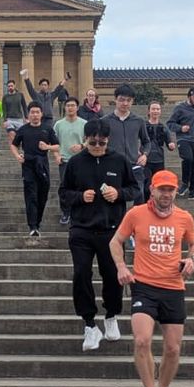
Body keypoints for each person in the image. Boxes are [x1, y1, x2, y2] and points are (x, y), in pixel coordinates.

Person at [111, 170, 194, 387]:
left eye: (171, 189)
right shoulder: (136, 214)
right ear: (152, 189)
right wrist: (121, 267)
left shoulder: (184, 217)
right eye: (161, 189)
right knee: (142, 341)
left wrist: (191, 259)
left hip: (173, 287)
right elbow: (115, 242)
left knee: (173, 348)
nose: (166, 194)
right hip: (144, 286)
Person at [59, 120, 138, 350]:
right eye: (92, 142)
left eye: (101, 142)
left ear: (108, 140)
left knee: (113, 274)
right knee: (81, 273)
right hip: (81, 229)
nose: (96, 146)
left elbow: (135, 188)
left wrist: (119, 193)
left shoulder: (119, 160)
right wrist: (80, 197)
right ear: (85, 139)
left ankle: (111, 314)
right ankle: (89, 324)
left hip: (111, 230)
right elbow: (63, 193)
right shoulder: (75, 162)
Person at [9, 101, 58, 237]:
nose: (35, 115)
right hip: (28, 165)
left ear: (41, 114)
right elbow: (14, 145)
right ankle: (33, 226)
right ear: (28, 114)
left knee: (42, 195)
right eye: (32, 112)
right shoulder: (23, 130)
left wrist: (47, 147)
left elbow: (58, 146)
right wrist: (17, 156)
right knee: (31, 196)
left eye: (37, 112)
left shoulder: (47, 128)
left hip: (42, 164)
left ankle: (38, 222)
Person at [103, 84, 151, 205]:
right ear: (115, 99)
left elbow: (146, 141)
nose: (125, 103)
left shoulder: (138, 121)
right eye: (122, 100)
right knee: (113, 199)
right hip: (112, 166)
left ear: (132, 101)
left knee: (139, 197)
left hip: (134, 166)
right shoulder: (104, 121)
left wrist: (144, 155)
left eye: (128, 100)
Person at [52, 96, 87, 225]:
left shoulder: (84, 123)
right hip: (64, 161)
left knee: (80, 187)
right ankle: (65, 212)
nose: (70, 108)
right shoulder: (59, 124)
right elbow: (53, 142)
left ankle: (79, 211)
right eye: (68, 106)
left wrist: (82, 146)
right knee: (64, 187)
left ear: (77, 108)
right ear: (65, 108)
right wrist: (56, 155)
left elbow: (90, 140)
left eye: (73, 105)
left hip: (80, 161)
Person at [168, 87, 194, 200]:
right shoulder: (179, 108)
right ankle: (185, 183)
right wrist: (181, 128)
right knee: (188, 158)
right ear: (189, 96)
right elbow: (170, 123)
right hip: (184, 139)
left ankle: (193, 191)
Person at [144, 102, 173, 183]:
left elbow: (169, 142)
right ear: (148, 111)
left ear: (160, 111)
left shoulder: (163, 127)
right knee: (147, 186)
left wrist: (171, 145)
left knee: (158, 184)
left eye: (158, 109)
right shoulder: (143, 126)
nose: (155, 111)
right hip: (146, 160)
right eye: (153, 109)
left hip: (159, 160)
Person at [1, 79, 28, 147]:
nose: (10, 87)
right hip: (9, 119)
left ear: (14, 86)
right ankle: (14, 149)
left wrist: (26, 117)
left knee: (20, 135)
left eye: (11, 86)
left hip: (19, 119)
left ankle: (16, 148)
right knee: (11, 134)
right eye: (9, 86)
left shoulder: (20, 95)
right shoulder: (5, 97)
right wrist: (5, 120)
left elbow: (24, 106)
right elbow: (4, 109)